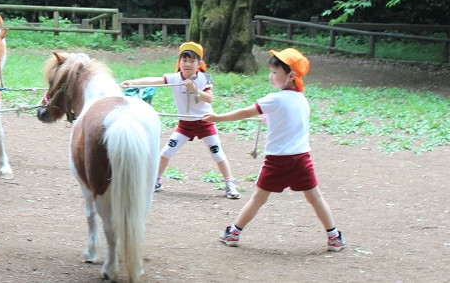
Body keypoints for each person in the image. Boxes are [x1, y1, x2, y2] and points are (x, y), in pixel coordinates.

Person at [202, 48, 346, 252]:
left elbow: (245, 112)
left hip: (277, 162)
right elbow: (289, 125)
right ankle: (334, 237)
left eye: (275, 72)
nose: (271, 76)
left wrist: (217, 118)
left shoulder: (275, 99)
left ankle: (234, 233)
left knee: (258, 198)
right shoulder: (303, 101)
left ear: (291, 76)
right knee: (315, 198)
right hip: (301, 160)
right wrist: (270, 118)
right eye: (270, 71)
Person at [120, 41, 240, 199]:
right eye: (184, 60)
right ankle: (156, 181)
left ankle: (230, 183)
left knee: (217, 154)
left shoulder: (204, 78)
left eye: (192, 61)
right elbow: (154, 80)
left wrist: (195, 89)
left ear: (199, 64)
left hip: (205, 122)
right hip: (184, 125)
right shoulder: (174, 78)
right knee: (165, 152)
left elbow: (210, 99)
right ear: (179, 62)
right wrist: (133, 83)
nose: (188, 64)